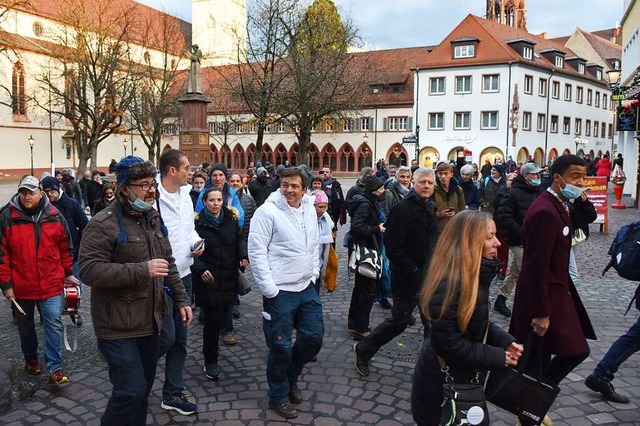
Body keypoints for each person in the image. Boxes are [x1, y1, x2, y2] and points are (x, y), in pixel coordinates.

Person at [79, 156, 193, 425]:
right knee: (129, 390)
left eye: (152, 183)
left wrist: (181, 299)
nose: (151, 190)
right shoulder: (103, 223)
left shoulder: (152, 217)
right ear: (124, 188)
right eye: (143, 185)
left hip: (150, 322)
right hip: (116, 326)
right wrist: (141, 269)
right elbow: (89, 271)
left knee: (141, 391)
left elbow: (168, 263)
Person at [411, 210, 522, 426]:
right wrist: (497, 356)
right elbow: (448, 344)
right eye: (489, 237)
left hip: (460, 377)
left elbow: (471, 317)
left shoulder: (473, 275)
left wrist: (503, 340)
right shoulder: (452, 283)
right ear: (468, 242)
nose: (498, 243)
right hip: (441, 387)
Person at [509, 155, 596, 419]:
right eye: (574, 177)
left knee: (544, 359)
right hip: (544, 299)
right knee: (569, 352)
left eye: (583, 176)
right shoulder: (545, 211)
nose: (580, 182)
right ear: (557, 178)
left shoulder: (561, 205)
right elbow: (535, 267)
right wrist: (540, 312)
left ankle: (531, 403)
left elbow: (586, 221)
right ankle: (529, 404)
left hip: (557, 293)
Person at [248, 167, 322, 420]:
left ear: (304, 189)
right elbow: (256, 251)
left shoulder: (310, 208)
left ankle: (291, 378)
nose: (289, 190)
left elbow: (314, 243)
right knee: (280, 346)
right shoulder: (266, 212)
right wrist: (269, 288)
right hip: (280, 291)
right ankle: (278, 396)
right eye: (285, 185)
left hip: (306, 287)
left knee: (313, 337)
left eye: (295, 186)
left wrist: (313, 272)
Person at [354, 168, 438, 377]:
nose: (427, 186)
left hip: (428, 276)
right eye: (423, 182)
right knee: (399, 321)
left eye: (430, 183)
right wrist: (414, 269)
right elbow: (393, 247)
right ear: (414, 184)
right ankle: (363, 350)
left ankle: (431, 365)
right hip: (407, 277)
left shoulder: (430, 206)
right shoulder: (402, 209)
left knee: (432, 322)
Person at [0, 176, 77, 385]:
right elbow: (2, 254)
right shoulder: (7, 216)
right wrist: (6, 284)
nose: (27, 196)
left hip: (51, 282)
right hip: (21, 286)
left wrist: (69, 272)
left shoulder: (54, 214)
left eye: (31, 192)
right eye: (23, 192)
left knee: (53, 321)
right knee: (25, 326)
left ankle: (55, 367)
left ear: (40, 193)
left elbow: (65, 246)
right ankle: (31, 358)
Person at [156, 149, 203, 416]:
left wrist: (196, 243)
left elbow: (187, 229)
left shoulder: (186, 195)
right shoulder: (154, 198)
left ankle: (172, 392)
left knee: (181, 339)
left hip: (184, 274)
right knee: (164, 337)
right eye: (186, 168)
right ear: (172, 170)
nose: (191, 172)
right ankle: (135, 377)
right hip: (160, 279)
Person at [192, 187, 248, 381]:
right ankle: (211, 360)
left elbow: (240, 239)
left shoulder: (230, 220)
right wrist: (200, 268)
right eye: (211, 200)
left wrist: (243, 256)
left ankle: (212, 351)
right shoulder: (197, 224)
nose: (215, 204)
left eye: (218, 200)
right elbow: (189, 252)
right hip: (209, 278)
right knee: (213, 322)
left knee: (225, 314)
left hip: (229, 277)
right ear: (205, 202)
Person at [493, 163, 542, 317]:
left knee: (514, 272)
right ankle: (533, 308)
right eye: (534, 174)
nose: (538, 177)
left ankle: (500, 299)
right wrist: (521, 232)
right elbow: (503, 216)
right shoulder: (512, 193)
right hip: (518, 241)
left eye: (538, 174)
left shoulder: (537, 192)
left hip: (533, 240)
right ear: (526, 176)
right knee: (529, 273)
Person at [41, 176, 88, 325]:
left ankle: (74, 311)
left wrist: (81, 245)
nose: (49, 195)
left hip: (72, 253)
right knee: (52, 285)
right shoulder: (42, 207)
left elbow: (85, 226)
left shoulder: (71, 204)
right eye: (45, 192)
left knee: (73, 284)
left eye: (52, 191)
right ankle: (49, 313)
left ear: (58, 189)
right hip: (50, 255)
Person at [347, 175, 386, 340]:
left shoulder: (367, 202)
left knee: (360, 289)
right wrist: (377, 229)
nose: (384, 190)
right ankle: (360, 328)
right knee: (367, 291)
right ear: (375, 190)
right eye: (382, 188)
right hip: (366, 253)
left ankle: (354, 323)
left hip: (365, 251)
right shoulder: (365, 204)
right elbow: (358, 228)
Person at [311, 190, 334, 294]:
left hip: (319, 263)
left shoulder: (326, 219)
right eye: (320, 207)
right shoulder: (307, 221)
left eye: (325, 207)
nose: (323, 210)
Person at [433, 162, 465, 232]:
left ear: (451, 174)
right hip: (437, 230)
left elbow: (462, 209)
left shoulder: (458, 190)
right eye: (440, 174)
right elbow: (427, 213)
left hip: (454, 229)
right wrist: (440, 215)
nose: (443, 177)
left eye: (446, 173)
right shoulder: (432, 190)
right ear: (437, 175)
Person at [321, 166, 345, 230]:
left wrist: (342, 217)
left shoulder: (336, 185)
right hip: (319, 214)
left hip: (332, 214)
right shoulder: (316, 184)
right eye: (323, 172)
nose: (325, 173)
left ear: (331, 174)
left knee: (332, 234)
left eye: (327, 172)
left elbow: (341, 201)